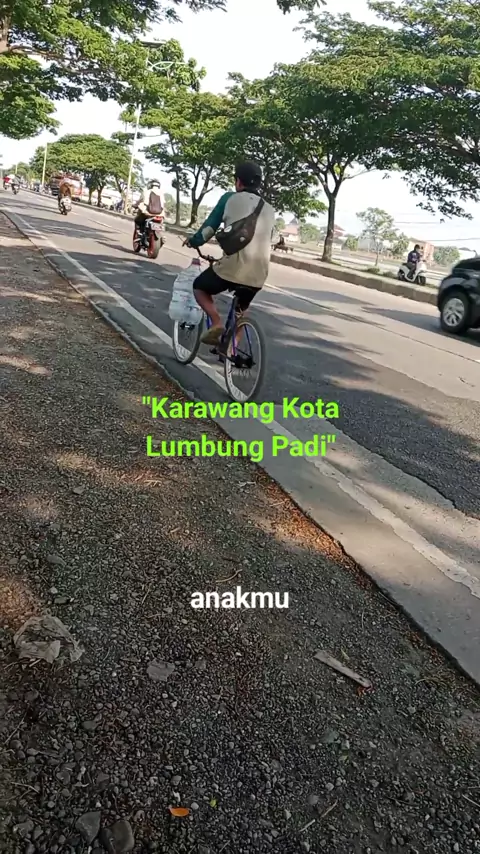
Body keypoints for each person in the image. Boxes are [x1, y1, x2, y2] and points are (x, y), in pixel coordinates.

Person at [185, 161, 276, 345]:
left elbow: (209, 229)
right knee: (241, 310)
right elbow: (272, 238)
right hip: (259, 274)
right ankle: (231, 348)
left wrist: (193, 241)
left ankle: (216, 323)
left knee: (199, 286)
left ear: (238, 181)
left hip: (233, 267)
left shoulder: (229, 198)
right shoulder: (270, 208)